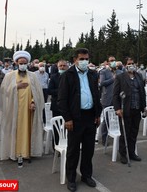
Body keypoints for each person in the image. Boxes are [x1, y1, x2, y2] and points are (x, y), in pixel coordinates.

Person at [58, 48, 102, 192]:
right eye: (81, 59)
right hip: (75, 118)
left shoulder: (93, 74)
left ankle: (86, 175)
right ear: (75, 60)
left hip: (90, 116)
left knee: (89, 149)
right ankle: (71, 178)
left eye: (86, 59)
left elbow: (96, 94)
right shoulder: (68, 75)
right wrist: (68, 118)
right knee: (73, 150)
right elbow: (62, 100)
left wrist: (97, 114)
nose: (84, 61)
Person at [0, 51, 44, 163]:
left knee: (28, 130)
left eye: (25, 63)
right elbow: (4, 92)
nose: (22, 64)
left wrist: (33, 102)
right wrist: (16, 86)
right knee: (15, 130)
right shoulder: (9, 76)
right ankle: (15, 152)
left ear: (28, 63)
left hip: (29, 110)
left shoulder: (33, 76)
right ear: (16, 63)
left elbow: (37, 92)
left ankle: (27, 153)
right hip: (14, 109)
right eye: (20, 63)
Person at [113, 57, 146, 164]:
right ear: (125, 65)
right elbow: (115, 95)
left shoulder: (139, 76)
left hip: (137, 108)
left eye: (133, 63)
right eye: (129, 64)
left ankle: (131, 152)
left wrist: (144, 106)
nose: (131, 65)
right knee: (125, 133)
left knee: (134, 132)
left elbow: (142, 92)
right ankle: (123, 154)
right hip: (125, 109)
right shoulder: (120, 77)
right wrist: (117, 108)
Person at [99, 56, 117, 146]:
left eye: (114, 60)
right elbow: (102, 83)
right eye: (111, 61)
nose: (113, 62)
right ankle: (104, 138)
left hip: (116, 98)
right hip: (107, 98)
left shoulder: (118, 71)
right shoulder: (103, 71)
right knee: (106, 120)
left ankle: (114, 134)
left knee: (116, 118)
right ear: (108, 62)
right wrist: (112, 79)